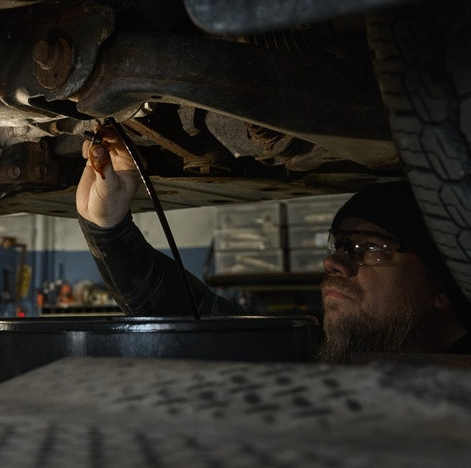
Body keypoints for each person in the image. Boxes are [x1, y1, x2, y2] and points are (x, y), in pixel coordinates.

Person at [76, 127, 471, 363]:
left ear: (444, 282)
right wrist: (107, 226)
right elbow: (201, 322)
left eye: (370, 247)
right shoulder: (322, 351)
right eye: (339, 244)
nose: (333, 262)